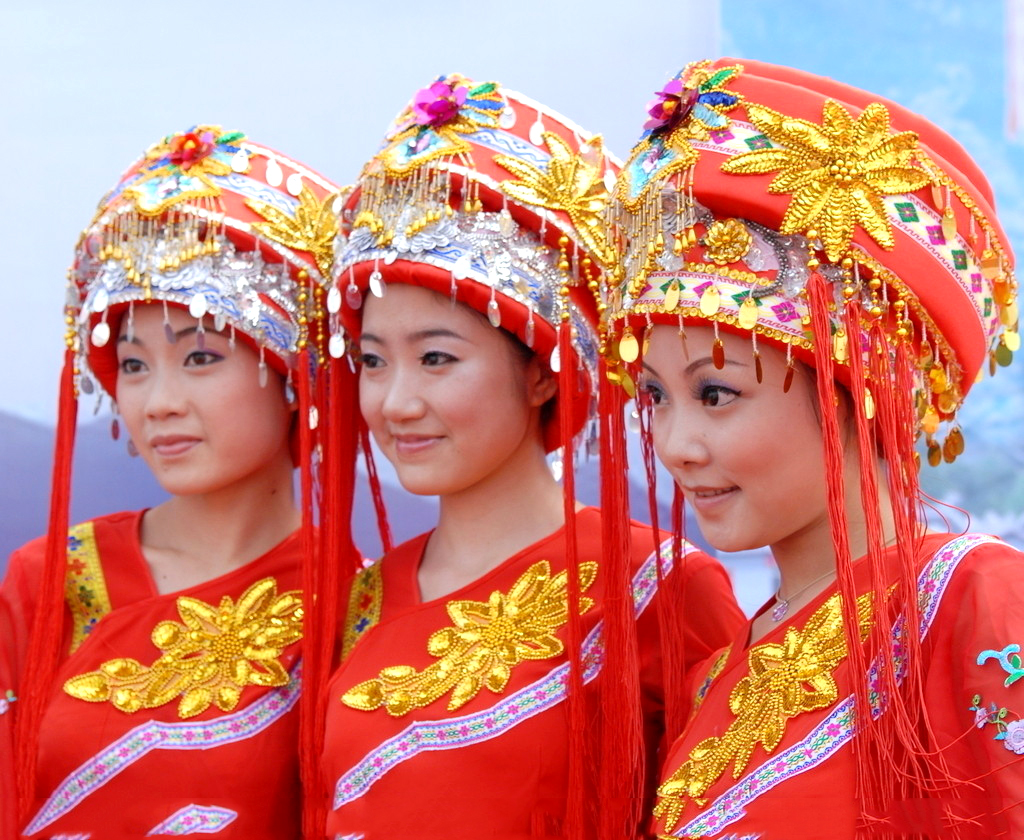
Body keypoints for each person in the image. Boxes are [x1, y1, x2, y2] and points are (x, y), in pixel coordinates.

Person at [313, 74, 744, 840]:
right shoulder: (363, 600)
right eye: (374, 361)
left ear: (544, 371)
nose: (395, 401)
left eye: (437, 358)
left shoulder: (656, 588)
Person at [602, 57, 1023, 838]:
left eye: (715, 393)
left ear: (859, 387)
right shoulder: (712, 679)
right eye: (654, 396)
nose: (675, 445)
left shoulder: (973, 601)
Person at [0, 125, 343, 837]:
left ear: (292, 372)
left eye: (200, 358)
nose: (157, 402)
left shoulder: (351, 603)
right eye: (133, 365)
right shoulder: (56, 579)